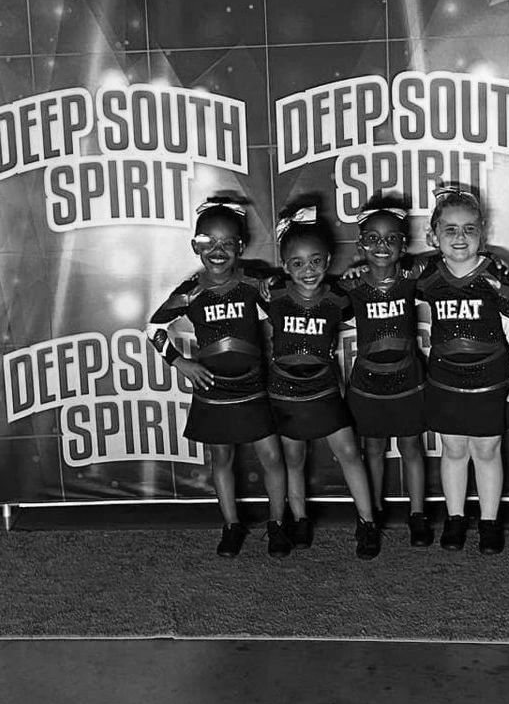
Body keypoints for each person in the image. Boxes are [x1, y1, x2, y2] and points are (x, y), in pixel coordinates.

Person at [145, 196, 291, 559]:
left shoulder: (254, 283)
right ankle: (231, 524)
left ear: (240, 246)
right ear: (195, 245)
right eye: (208, 242)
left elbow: (290, 309)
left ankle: (277, 523)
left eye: (227, 243)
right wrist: (181, 362)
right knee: (221, 460)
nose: (218, 250)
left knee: (272, 457)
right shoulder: (191, 291)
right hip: (213, 390)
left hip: (254, 386)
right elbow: (154, 328)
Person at [416, 183, 509, 554]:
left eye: (469, 228)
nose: (460, 237)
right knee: (452, 450)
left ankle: (489, 521)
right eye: (449, 230)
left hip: (489, 379)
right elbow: (386, 285)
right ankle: (454, 518)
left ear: (483, 232)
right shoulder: (427, 275)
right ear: (433, 235)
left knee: (487, 450)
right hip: (446, 379)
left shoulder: (498, 274)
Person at [264, 201, 382, 559]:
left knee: (349, 452)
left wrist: (360, 273)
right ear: (286, 267)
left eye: (316, 261)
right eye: (297, 264)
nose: (308, 270)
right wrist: (264, 281)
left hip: (324, 389)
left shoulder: (336, 298)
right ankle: (297, 519)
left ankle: (367, 523)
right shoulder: (274, 296)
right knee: (293, 457)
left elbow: (373, 290)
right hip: (283, 391)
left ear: (328, 260)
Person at [338, 196, 432, 546]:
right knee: (373, 450)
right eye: (373, 239)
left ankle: (418, 515)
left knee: (411, 447)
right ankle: (372, 514)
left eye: (391, 238)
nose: (382, 246)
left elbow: (453, 265)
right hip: (367, 385)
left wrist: (495, 265)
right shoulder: (352, 284)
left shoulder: (410, 277)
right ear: (360, 243)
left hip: (408, 380)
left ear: (403, 243)